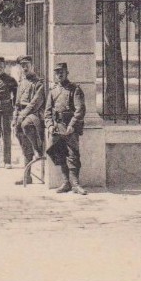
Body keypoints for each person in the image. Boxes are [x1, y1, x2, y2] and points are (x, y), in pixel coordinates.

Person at [45, 62, 87, 195]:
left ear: (67, 73)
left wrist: (72, 125)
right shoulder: (53, 91)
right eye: (57, 72)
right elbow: (47, 112)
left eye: (62, 71)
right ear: (55, 75)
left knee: (73, 155)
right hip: (57, 127)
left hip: (70, 128)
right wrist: (50, 125)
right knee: (59, 154)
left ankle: (75, 184)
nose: (60, 74)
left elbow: (80, 110)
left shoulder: (75, 89)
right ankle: (66, 182)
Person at [13, 55, 47, 185]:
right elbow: (16, 102)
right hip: (21, 114)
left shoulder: (39, 83)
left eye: (27, 64)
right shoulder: (21, 82)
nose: (25, 67)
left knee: (26, 125)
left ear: (32, 66)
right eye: (22, 65)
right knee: (18, 132)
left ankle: (37, 149)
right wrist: (16, 116)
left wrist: (22, 115)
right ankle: (27, 177)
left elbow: (35, 103)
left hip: (34, 114)